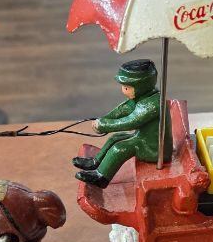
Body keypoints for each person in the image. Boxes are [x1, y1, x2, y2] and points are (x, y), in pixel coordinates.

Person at [73, 59, 172, 188]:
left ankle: (101, 177)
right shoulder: (144, 96)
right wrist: (105, 119)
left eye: (126, 87)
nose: (123, 91)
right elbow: (123, 110)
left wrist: (105, 125)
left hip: (154, 149)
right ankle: (95, 161)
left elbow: (130, 122)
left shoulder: (152, 104)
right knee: (115, 138)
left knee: (120, 149)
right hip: (143, 139)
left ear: (142, 86)